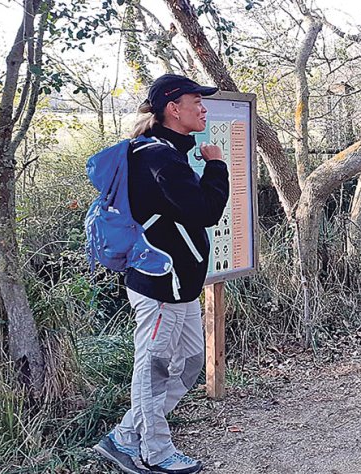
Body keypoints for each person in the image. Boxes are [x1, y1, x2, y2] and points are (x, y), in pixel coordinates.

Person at [93, 74, 229, 474]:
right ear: (173, 109)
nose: (203, 109)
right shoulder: (159, 159)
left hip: (180, 285)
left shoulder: (169, 153)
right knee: (152, 368)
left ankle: (125, 436)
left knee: (191, 362)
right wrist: (216, 164)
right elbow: (206, 211)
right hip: (159, 284)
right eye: (196, 102)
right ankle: (155, 451)